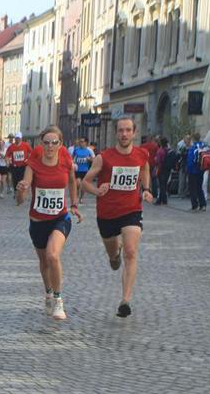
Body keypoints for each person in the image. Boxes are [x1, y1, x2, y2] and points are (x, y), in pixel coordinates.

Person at [81, 116, 153, 318]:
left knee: (131, 252)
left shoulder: (141, 154)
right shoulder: (104, 157)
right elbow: (84, 183)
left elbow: (145, 168)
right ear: (116, 133)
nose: (124, 134)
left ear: (134, 133)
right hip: (107, 214)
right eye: (121, 130)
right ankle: (114, 255)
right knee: (114, 255)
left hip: (131, 210)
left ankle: (125, 301)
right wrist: (97, 191)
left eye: (128, 130)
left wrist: (146, 189)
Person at [16, 126, 82, 321]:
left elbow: (72, 182)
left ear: (60, 144)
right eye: (46, 143)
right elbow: (21, 199)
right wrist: (22, 190)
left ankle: (58, 300)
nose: (50, 146)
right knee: (44, 261)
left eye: (54, 143)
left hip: (60, 218)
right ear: (41, 144)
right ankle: (48, 292)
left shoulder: (66, 162)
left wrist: (74, 204)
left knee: (53, 255)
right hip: (38, 221)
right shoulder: (33, 165)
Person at [185, 132, 208, 212]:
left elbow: (190, 161)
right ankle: (203, 204)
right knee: (199, 188)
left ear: (193, 139)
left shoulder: (193, 148)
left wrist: (188, 170)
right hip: (201, 170)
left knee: (192, 188)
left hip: (193, 171)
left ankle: (195, 205)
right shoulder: (204, 146)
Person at [6, 131, 32, 196]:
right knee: (15, 180)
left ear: (21, 138)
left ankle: (22, 193)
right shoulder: (11, 146)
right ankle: (15, 192)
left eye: (19, 138)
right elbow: (7, 155)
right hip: (15, 166)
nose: (17, 139)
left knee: (23, 179)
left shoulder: (26, 145)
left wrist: (28, 159)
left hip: (23, 166)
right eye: (16, 138)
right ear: (15, 138)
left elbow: (31, 153)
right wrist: (7, 162)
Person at [70, 137, 95, 204]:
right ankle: (77, 195)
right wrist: (73, 163)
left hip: (85, 170)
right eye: (80, 141)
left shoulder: (89, 150)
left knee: (83, 186)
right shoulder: (76, 150)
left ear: (86, 143)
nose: (80, 143)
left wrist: (89, 159)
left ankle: (81, 198)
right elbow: (72, 158)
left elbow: (94, 159)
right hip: (77, 170)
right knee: (78, 184)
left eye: (82, 141)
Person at [154, 138, 177, 206]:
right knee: (164, 185)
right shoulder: (169, 150)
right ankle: (163, 200)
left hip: (161, 169)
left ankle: (161, 200)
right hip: (168, 169)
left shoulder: (160, 151)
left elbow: (158, 161)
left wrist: (155, 160)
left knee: (162, 185)